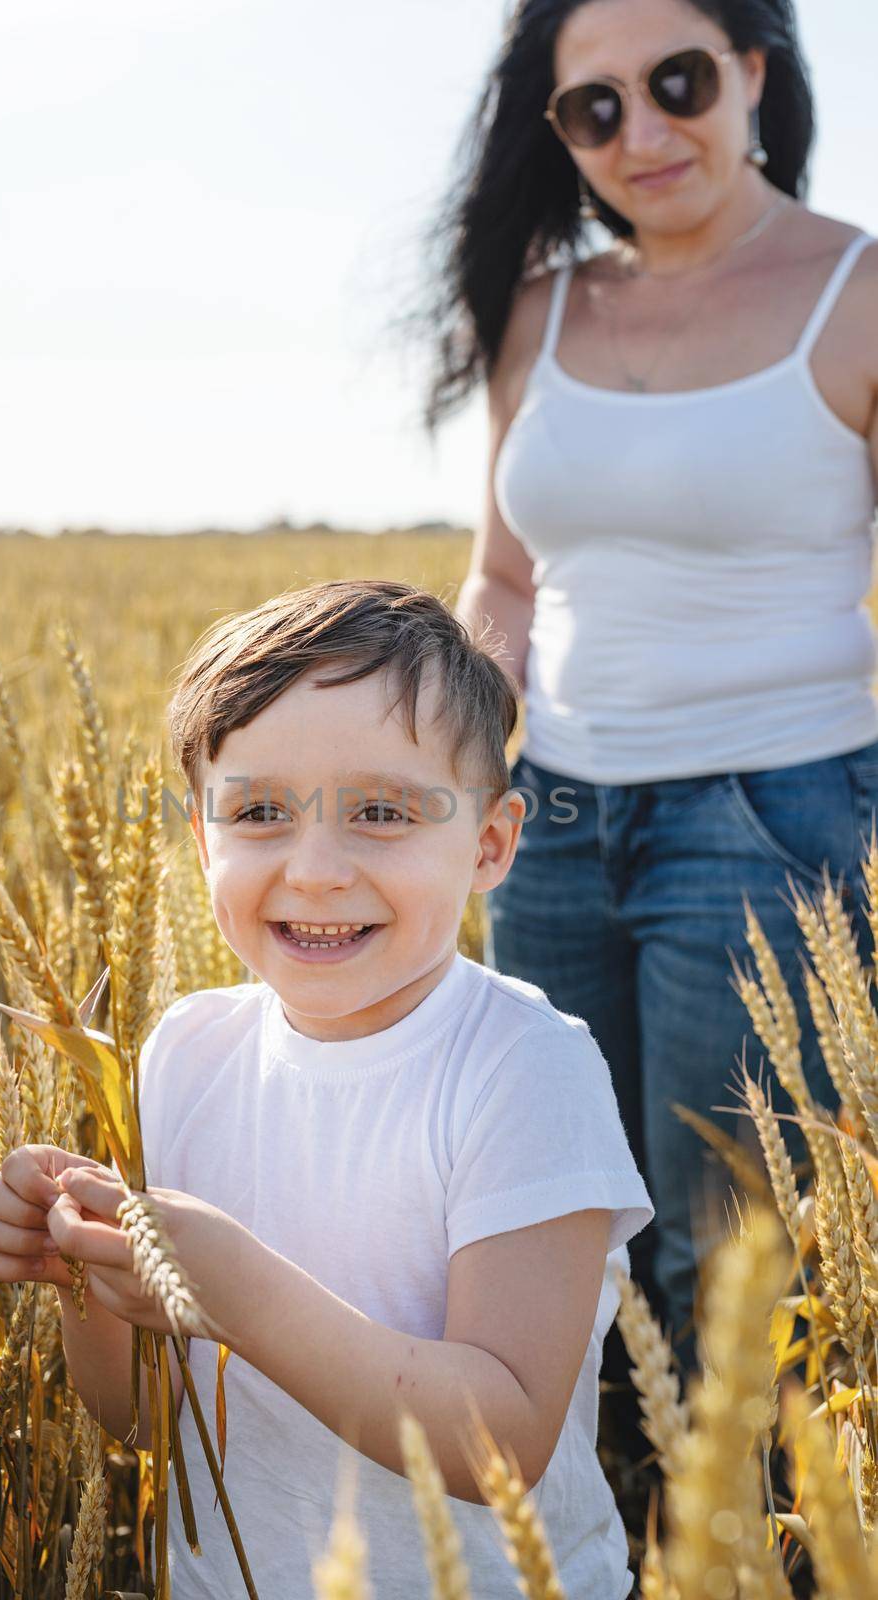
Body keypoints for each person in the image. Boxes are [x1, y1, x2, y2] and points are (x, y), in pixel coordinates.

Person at [0, 579, 655, 1600]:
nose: (316, 867)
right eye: (258, 812)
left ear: (491, 844)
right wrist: (82, 1264)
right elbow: (137, 1418)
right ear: (203, 841)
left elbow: (501, 1443)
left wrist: (231, 1286)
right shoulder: (182, 1054)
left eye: (381, 811)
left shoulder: (526, 1068)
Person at [434, 0, 878, 1441]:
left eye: (676, 79)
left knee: (726, 1261)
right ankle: (599, 1538)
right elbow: (506, 575)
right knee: (557, 1221)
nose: (643, 128)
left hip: (775, 830)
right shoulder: (541, 303)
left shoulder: (856, 291)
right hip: (553, 817)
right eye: (594, 107)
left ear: (755, 71)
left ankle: (734, 1551)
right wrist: (443, 763)